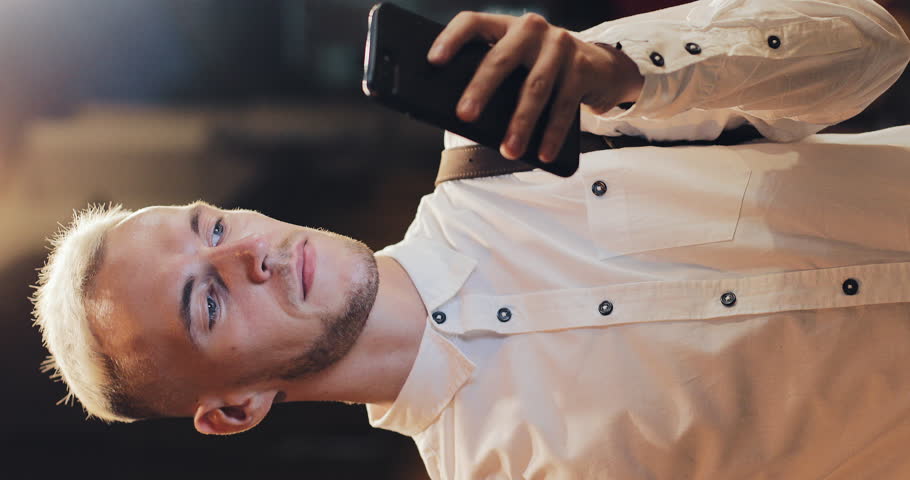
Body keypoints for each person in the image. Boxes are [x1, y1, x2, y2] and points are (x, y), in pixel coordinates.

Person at [31, 0, 910, 478]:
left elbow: (874, 48)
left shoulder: (516, 132)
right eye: (208, 300)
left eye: (210, 226)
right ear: (236, 409)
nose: (243, 253)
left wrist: (635, 71)